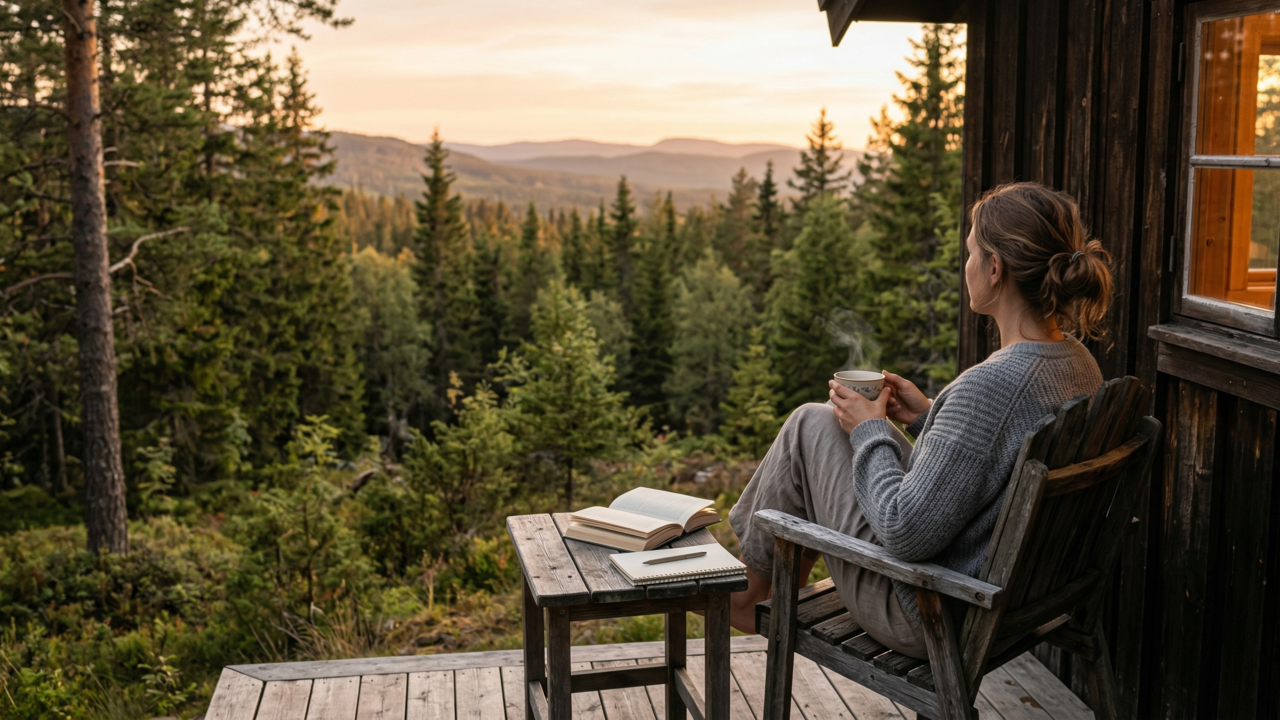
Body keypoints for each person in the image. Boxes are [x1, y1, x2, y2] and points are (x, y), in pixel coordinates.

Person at [727, 182, 1114, 658]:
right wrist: (929, 416)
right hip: (1019, 597)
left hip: (931, 611)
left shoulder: (990, 386)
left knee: (811, 423)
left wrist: (869, 428)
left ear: (995, 269)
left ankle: (748, 596)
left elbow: (904, 531)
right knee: (822, 422)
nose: (966, 264)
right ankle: (761, 586)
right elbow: (998, 454)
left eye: (971, 251)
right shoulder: (1076, 362)